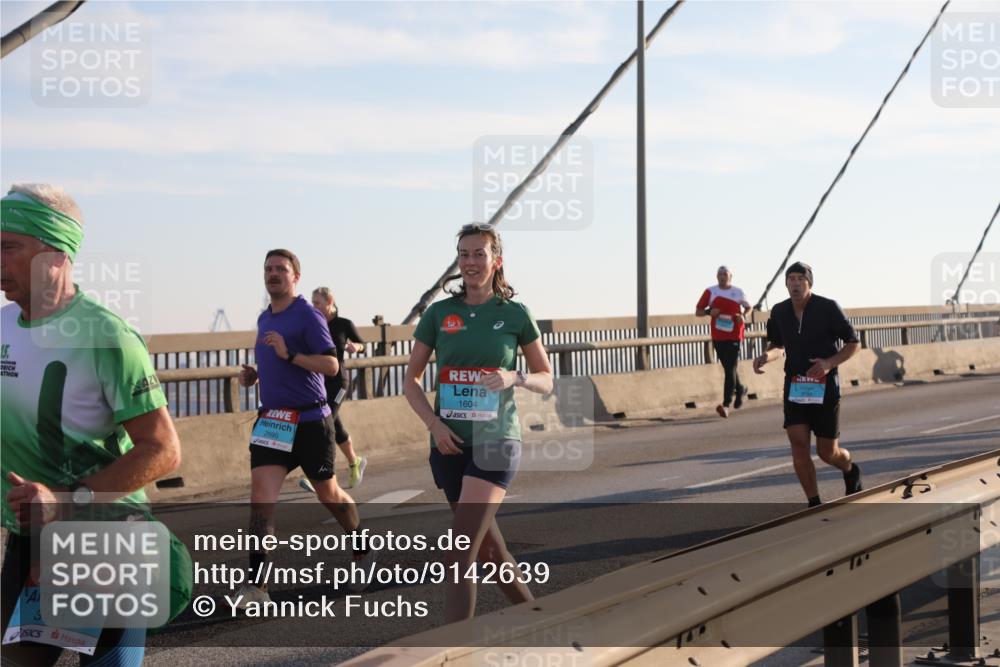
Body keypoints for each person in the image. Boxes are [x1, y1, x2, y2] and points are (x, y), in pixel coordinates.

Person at [1, 183, 181, 665]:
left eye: (9, 247)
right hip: (29, 537)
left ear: (55, 253)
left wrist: (64, 501)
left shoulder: (107, 337)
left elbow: (163, 449)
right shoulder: (0, 329)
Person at [403, 223, 553, 623]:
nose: (470, 262)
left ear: (496, 261)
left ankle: (454, 652)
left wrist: (514, 377)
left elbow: (546, 377)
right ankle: (544, 623)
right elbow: (411, 381)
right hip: (449, 443)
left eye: (479, 254)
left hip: (496, 440)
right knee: (491, 552)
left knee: (459, 551)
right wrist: (434, 426)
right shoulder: (440, 314)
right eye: (464, 254)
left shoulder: (515, 314)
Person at [236, 249, 372, 605]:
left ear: (296, 276)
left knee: (330, 495)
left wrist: (289, 355)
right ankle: (258, 587)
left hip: (311, 421)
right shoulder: (265, 318)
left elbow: (331, 365)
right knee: (260, 503)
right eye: (268, 269)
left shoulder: (308, 315)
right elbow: (276, 362)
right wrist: (257, 374)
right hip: (273, 422)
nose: (273, 274)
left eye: (281, 269)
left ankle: (360, 550)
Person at [753, 262, 862, 507]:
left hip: (825, 387)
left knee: (827, 453)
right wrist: (765, 357)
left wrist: (829, 363)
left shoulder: (828, 308)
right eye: (790, 278)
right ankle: (814, 503)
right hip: (796, 386)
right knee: (798, 442)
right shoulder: (779, 311)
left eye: (800, 278)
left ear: (809, 282)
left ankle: (849, 468)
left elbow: (853, 343)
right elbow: (778, 346)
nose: (795, 283)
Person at [310, 287, 367, 489]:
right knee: (336, 425)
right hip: (319, 383)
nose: (313, 306)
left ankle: (322, 474)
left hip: (338, 382)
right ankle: (355, 462)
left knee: (326, 425)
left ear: (330, 302)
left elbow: (363, 344)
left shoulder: (343, 324)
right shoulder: (314, 325)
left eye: (317, 302)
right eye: (312, 302)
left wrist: (355, 347)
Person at [696, 265, 751, 418]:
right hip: (718, 335)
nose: (722, 277)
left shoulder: (738, 292)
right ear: (716, 277)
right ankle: (740, 389)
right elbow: (698, 311)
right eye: (719, 274)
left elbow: (748, 308)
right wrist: (709, 312)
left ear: (730, 277)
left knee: (730, 368)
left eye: (725, 274)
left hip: (735, 334)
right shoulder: (710, 291)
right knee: (729, 368)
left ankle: (726, 404)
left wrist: (744, 316)